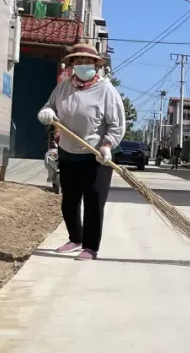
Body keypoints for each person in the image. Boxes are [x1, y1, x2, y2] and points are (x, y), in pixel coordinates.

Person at [37, 42, 126, 261]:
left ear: (96, 65)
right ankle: (75, 238)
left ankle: (90, 247)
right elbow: (50, 106)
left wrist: (107, 145)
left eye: (87, 62)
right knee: (70, 199)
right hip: (68, 152)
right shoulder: (63, 88)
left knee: (94, 200)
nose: (83, 65)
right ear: (72, 65)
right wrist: (47, 112)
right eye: (78, 61)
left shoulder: (106, 90)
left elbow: (116, 124)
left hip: (96, 155)